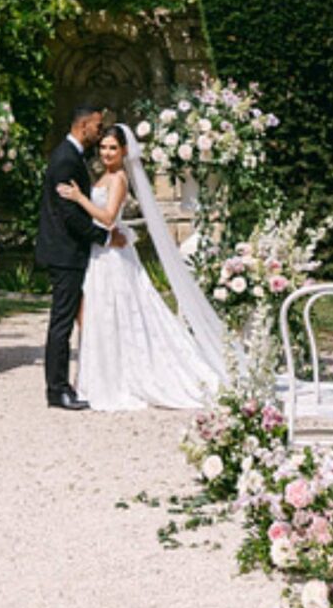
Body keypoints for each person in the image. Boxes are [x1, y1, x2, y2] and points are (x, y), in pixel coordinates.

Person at [60, 122, 224, 411]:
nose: (107, 153)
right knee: (99, 313)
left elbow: (109, 218)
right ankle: (98, 378)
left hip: (111, 256)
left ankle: (117, 380)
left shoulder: (119, 178)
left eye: (113, 148)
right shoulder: (104, 176)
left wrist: (80, 198)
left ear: (124, 151)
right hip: (101, 251)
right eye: (103, 147)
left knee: (116, 312)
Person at [36, 104, 111, 411]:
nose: (100, 131)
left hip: (67, 251)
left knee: (66, 319)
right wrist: (103, 236)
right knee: (62, 322)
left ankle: (63, 385)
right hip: (65, 252)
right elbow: (69, 215)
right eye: (97, 126)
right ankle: (57, 389)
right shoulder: (66, 160)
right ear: (83, 125)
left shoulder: (71, 155)